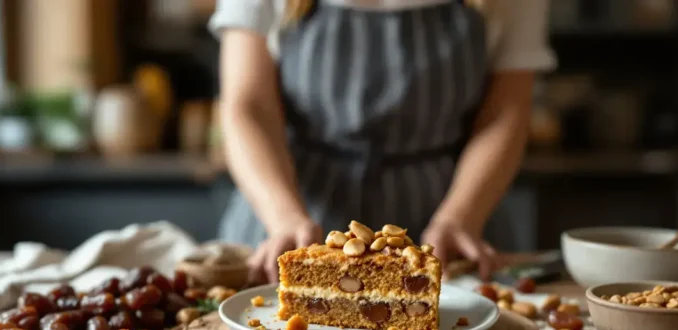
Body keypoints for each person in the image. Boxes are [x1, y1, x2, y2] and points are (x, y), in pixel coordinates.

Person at [210, 0, 555, 284]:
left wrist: (461, 217)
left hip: (450, 215)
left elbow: (505, 112)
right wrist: (283, 216)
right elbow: (247, 105)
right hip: (288, 207)